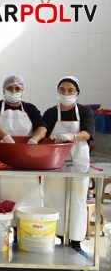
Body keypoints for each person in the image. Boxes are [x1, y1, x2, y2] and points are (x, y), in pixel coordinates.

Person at [43, 76, 94, 258]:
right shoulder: (50, 113)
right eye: (62, 90)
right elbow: (44, 134)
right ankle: (52, 238)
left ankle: (76, 242)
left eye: (70, 90)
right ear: (58, 92)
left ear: (77, 94)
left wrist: (69, 136)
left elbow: (87, 134)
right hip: (55, 163)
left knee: (77, 201)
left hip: (78, 162)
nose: (66, 94)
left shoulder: (85, 111)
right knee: (52, 199)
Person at [0, 75, 47, 217]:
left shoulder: (29, 108)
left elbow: (42, 126)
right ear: (3, 90)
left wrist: (34, 140)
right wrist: (4, 136)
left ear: (22, 91)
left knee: (26, 204)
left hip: (26, 161)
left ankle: (21, 232)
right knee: (0, 200)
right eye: (9, 88)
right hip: (1, 160)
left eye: (17, 88)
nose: (13, 91)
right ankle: (0, 233)